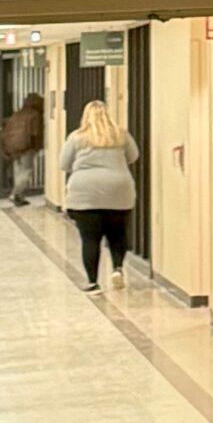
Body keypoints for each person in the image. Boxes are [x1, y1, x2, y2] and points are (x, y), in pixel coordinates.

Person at [59, 99, 140, 293]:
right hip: (118, 189)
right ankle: (118, 268)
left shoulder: (77, 137)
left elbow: (64, 164)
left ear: (85, 116)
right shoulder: (120, 135)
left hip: (85, 193)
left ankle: (93, 282)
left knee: (90, 239)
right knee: (117, 234)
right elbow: (134, 156)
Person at [0, 92, 46, 205]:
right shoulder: (35, 115)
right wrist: (37, 147)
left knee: (18, 172)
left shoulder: (17, 114)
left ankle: (19, 197)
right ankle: (15, 193)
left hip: (13, 148)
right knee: (27, 171)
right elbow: (35, 133)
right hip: (27, 147)